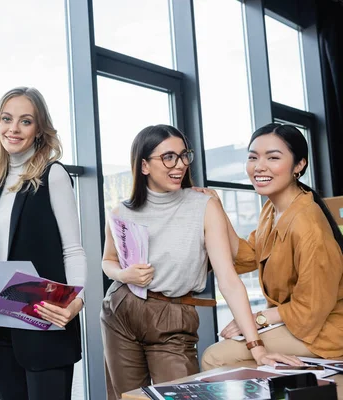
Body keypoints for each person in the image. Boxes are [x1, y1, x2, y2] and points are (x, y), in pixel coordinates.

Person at [100, 124, 302, 400]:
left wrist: (257, 347)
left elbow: (229, 280)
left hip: (173, 314)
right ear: (144, 165)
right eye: (168, 157)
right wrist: (125, 275)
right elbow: (108, 262)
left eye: (184, 156)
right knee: (126, 397)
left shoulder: (203, 205)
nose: (179, 164)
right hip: (121, 311)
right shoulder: (121, 211)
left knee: (182, 394)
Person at [0, 87, 87, 400]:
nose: (13, 128)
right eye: (7, 119)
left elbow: (72, 249)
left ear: (39, 130)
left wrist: (77, 300)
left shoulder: (53, 175)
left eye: (25, 121)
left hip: (44, 314)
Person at [200, 123, 343, 370]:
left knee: (215, 356)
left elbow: (310, 309)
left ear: (299, 165)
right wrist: (217, 209)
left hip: (326, 330)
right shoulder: (272, 209)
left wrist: (258, 319)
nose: (259, 166)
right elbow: (247, 256)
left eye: (273, 157)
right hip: (296, 322)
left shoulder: (308, 225)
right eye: (253, 157)